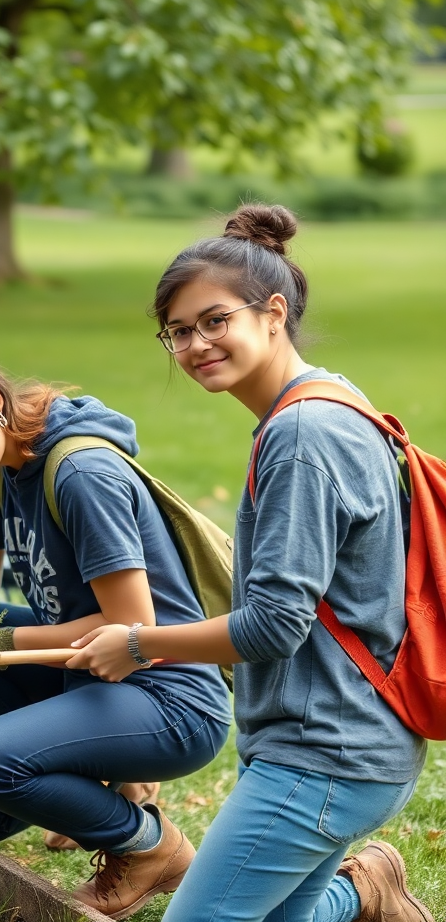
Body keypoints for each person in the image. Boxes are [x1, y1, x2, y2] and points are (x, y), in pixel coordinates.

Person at [67, 203, 433, 922]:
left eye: (214, 320)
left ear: (273, 313)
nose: (195, 344)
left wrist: (137, 644)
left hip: (324, 754)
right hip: (347, 742)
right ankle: (366, 893)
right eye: (178, 331)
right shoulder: (327, 397)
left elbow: (272, 626)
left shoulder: (302, 435)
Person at [0, 345, 232, 919]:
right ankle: (101, 775)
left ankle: (151, 848)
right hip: (87, 676)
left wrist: (1, 643)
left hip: (166, 697)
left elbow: (131, 626)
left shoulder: (79, 475)